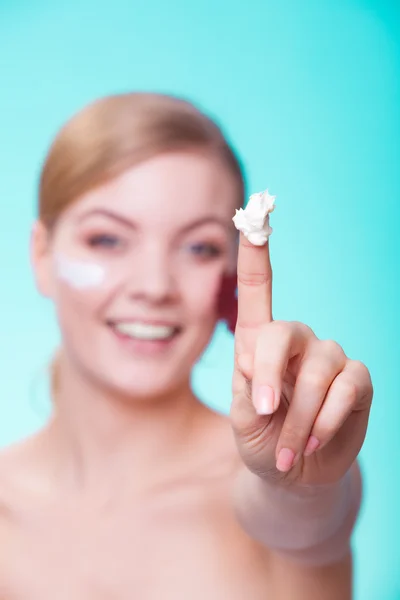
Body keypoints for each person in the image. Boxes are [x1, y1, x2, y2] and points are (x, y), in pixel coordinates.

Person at [0, 93, 373, 599]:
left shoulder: (264, 491)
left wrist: (303, 479)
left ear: (230, 279)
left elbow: (304, 519)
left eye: (200, 247)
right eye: (107, 239)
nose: (155, 286)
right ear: (41, 255)